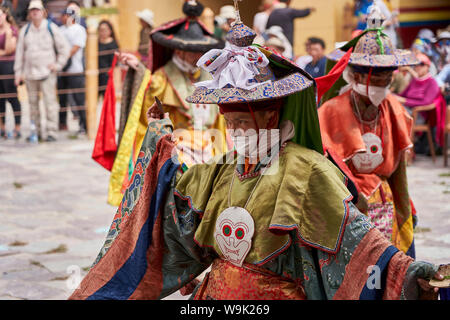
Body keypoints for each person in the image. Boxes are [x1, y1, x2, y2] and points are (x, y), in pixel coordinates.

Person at [69, 7, 444, 300]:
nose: (235, 133)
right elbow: (176, 216)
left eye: (244, 124)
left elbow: (358, 240)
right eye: (230, 125)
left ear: (272, 115)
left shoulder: (308, 170)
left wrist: (407, 271)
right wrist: (161, 144)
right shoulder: (223, 169)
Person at [319, 6, 419, 258]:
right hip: (347, 204)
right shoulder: (331, 110)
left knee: (390, 268)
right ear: (354, 75)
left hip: (385, 201)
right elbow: (324, 166)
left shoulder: (394, 108)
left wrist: (405, 207)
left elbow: (399, 170)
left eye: (385, 80)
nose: (380, 87)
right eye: (374, 80)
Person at [106, 0, 226, 206]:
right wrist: (140, 72)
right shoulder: (161, 80)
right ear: (179, 51)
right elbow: (148, 119)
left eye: (201, 51)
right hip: (178, 146)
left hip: (212, 143)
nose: (199, 56)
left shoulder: (209, 77)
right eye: (194, 51)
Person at [14, 0, 70, 143]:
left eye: (37, 10)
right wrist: (18, 73)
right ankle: (35, 131)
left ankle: (51, 131)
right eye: (32, 10)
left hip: (47, 73)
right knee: (32, 105)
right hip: (30, 73)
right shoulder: (25, 31)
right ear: (29, 13)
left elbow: (65, 49)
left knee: (49, 104)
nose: (35, 12)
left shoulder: (51, 28)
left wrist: (57, 65)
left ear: (43, 12)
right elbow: (19, 54)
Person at [395, 53, 447, 154]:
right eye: (416, 65)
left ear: (428, 66)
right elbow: (402, 95)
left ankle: (405, 151)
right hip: (407, 110)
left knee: (397, 115)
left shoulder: (432, 82)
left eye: (421, 64)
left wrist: (404, 101)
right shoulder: (414, 80)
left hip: (419, 115)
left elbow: (426, 102)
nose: (417, 67)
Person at [58, 7, 87, 135]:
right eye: (63, 15)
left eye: (66, 15)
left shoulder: (79, 30)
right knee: (62, 99)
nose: (64, 18)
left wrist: (63, 58)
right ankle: (62, 123)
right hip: (62, 70)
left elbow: (76, 47)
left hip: (75, 69)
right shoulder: (60, 30)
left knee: (79, 99)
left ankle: (84, 124)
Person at [0, 5, 21, 140]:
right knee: (0, 99)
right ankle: (2, 128)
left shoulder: (11, 30)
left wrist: (7, 34)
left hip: (9, 66)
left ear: (5, 15)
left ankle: (17, 128)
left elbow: (9, 50)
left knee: (13, 98)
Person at [98, 20, 119, 97]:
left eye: (105, 30)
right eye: (100, 30)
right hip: (96, 75)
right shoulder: (95, 43)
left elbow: (116, 64)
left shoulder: (113, 44)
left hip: (108, 76)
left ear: (110, 31)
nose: (103, 32)